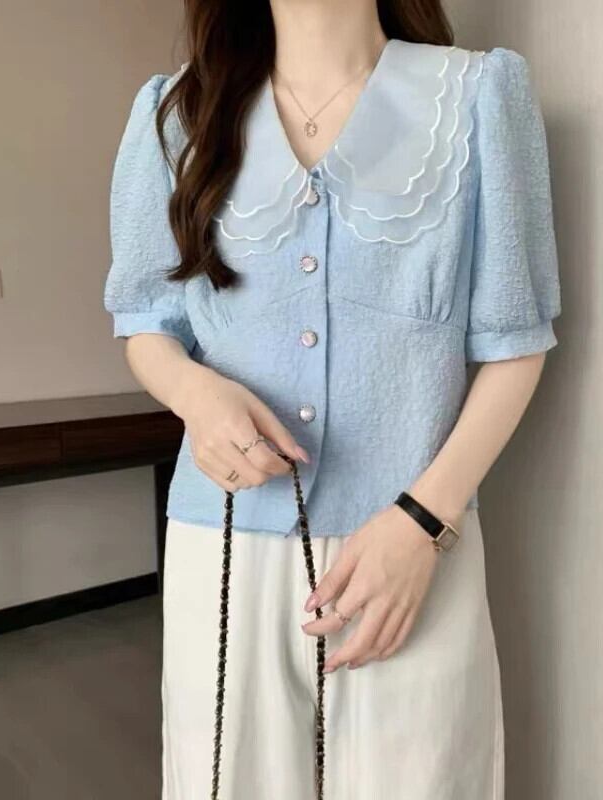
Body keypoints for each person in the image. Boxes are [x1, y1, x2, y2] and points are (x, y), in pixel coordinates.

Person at [103, 0, 562, 798]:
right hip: (225, 538)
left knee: (421, 781)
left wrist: (422, 523)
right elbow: (146, 321)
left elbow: (515, 343)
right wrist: (193, 393)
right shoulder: (175, 113)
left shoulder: (480, 94)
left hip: (413, 545)